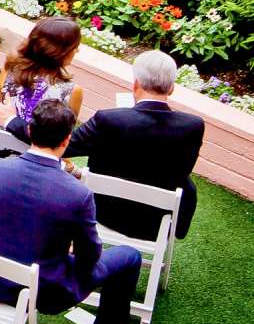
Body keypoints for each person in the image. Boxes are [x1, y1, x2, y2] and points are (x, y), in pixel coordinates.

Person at [0, 99, 144, 324]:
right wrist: (68, 250)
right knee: (129, 257)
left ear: (29, 130)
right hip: (46, 290)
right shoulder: (78, 193)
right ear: (66, 141)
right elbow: (89, 257)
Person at [68, 50, 205, 238]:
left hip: (101, 213)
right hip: (156, 224)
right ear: (171, 88)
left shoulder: (108, 120)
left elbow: (65, 145)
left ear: (136, 84)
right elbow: (184, 170)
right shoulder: (193, 126)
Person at [0, 16, 84, 143]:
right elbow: (62, 138)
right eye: (74, 46)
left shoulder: (10, 68)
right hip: (36, 158)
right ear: (59, 51)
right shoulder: (73, 91)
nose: (77, 50)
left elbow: (1, 104)